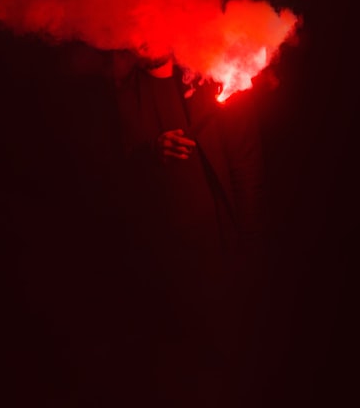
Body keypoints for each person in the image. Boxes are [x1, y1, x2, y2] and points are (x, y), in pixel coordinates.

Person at [111, 42, 267, 406]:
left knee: (220, 371)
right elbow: (100, 171)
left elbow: (247, 168)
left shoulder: (214, 76)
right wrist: (149, 155)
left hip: (216, 258)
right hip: (151, 267)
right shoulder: (116, 89)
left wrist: (254, 251)